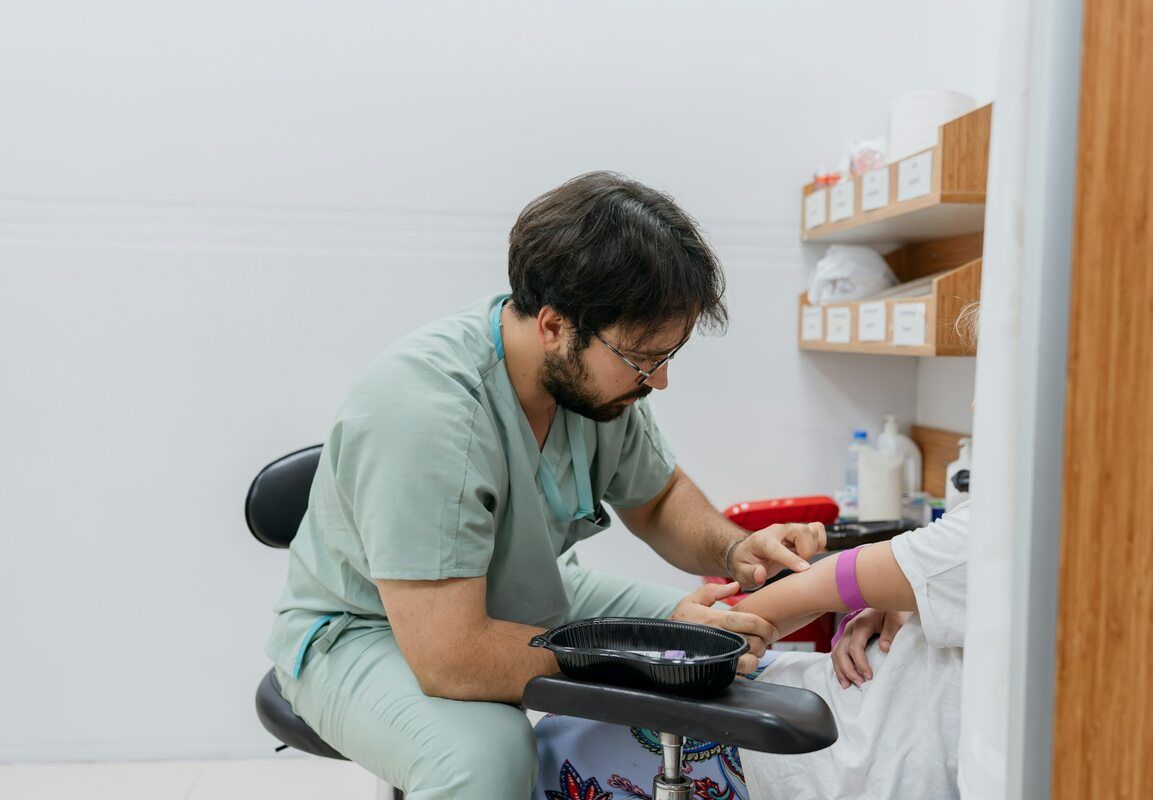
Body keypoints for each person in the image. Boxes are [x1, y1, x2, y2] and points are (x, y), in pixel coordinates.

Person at [263, 171, 827, 798]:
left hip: (520, 592)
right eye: (644, 358)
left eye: (669, 357)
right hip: (366, 629)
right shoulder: (426, 413)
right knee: (487, 761)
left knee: (710, 633)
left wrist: (733, 549)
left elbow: (659, 498)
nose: (658, 382)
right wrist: (639, 657)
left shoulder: (593, 387)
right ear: (555, 326)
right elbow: (451, 657)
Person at [532, 503, 969, 800]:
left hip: (836, 751)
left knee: (562, 741)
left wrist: (705, 641)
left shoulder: (1006, 519)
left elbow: (838, 577)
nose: (973, 402)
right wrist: (889, 602)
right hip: (844, 698)